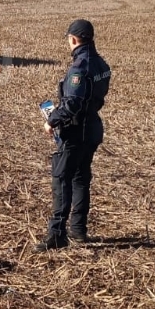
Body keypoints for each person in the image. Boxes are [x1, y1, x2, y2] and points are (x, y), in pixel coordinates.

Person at [36, 18, 111, 250]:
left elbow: (73, 103)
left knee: (62, 180)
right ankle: (78, 229)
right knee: (81, 178)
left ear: (73, 39)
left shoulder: (80, 67)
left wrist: (52, 120)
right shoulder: (102, 64)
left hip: (76, 131)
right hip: (92, 129)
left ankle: (57, 234)